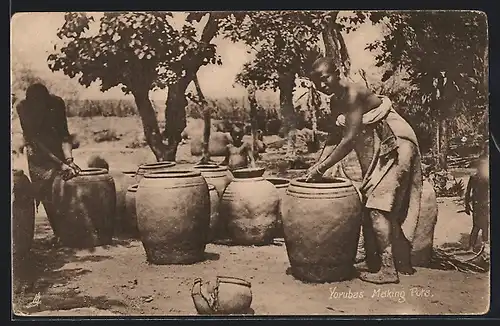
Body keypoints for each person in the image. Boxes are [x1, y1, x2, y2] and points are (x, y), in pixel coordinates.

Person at [306, 57, 423, 284]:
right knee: (377, 202)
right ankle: (397, 262)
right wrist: (317, 166)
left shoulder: (352, 94)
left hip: (395, 143)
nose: (321, 85)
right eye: (316, 82)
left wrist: (321, 168)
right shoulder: (335, 101)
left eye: (324, 79)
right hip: (377, 145)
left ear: (337, 72)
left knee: (379, 206)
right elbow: (336, 136)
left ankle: (389, 270)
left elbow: (349, 139)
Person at [16, 83, 81, 244]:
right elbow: (34, 140)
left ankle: (66, 233)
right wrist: (60, 163)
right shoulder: (23, 108)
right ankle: (59, 234)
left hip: (56, 148)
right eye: (36, 103)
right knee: (45, 193)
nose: (40, 107)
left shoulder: (56, 104)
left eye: (42, 102)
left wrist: (69, 160)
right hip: (37, 154)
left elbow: (64, 134)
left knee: (62, 190)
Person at [464, 153, 489, 252]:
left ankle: (483, 245)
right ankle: (473, 246)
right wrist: (466, 205)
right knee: (478, 225)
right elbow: (468, 192)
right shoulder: (474, 178)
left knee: (484, 225)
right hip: (478, 204)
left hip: (484, 203)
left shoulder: (486, 178)